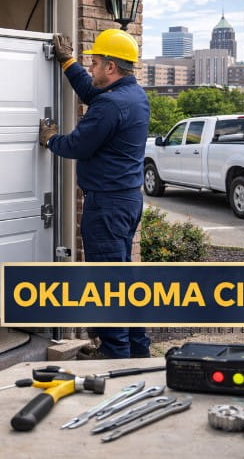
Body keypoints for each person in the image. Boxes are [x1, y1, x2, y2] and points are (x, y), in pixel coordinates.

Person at [38, 29, 151, 359]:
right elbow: (93, 94)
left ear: (111, 68)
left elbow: (77, 145)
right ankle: (137, 350)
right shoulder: (132, 95)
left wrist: (51, 139)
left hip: (107, 207)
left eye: (96, 63)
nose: (92, 69)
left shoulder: (112, 105)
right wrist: (67, 62)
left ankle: (115, 355)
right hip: (126, 200)